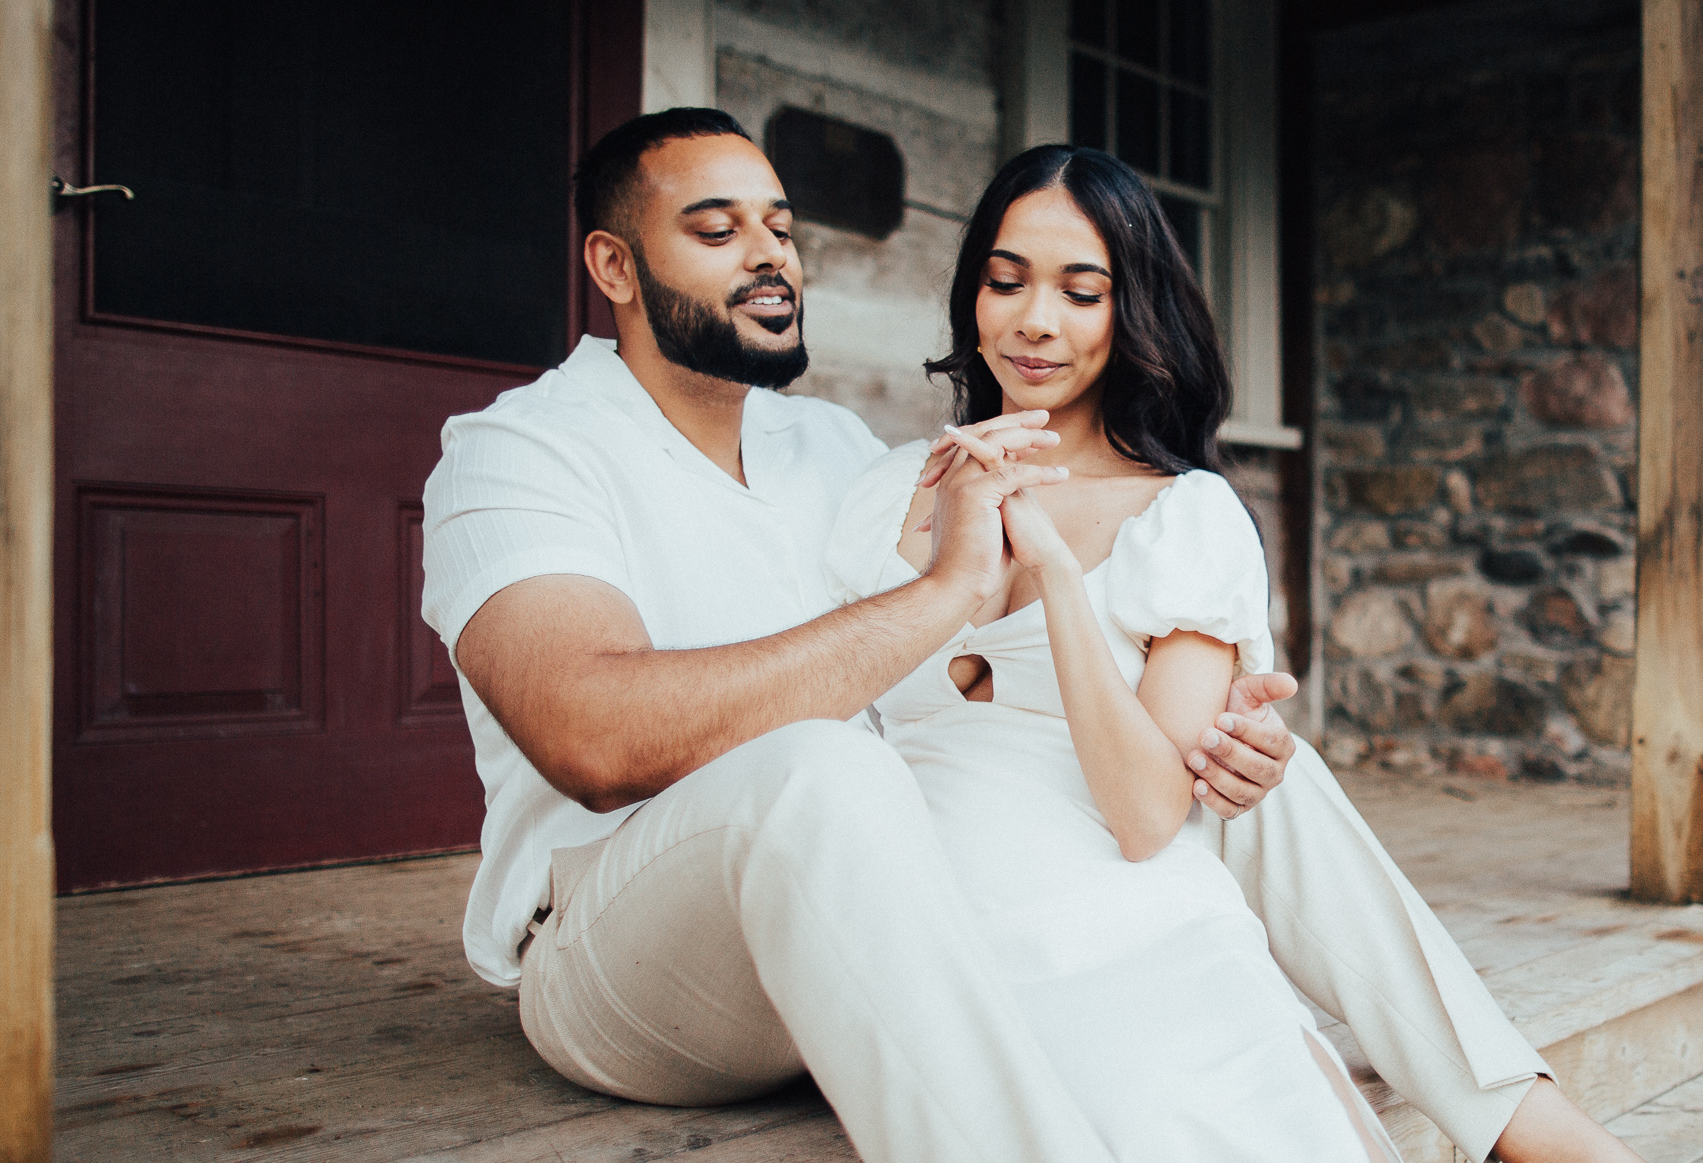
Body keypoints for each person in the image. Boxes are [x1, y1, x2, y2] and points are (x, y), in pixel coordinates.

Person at [422, 108, 1635, 1162]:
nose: (769, 256)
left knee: (1247, 767)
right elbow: (592, 740)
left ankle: (1513, 1108)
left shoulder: (836, 451)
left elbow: (949, 709)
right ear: (614, 265)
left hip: (860, 921)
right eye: (717, 229)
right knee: (823, 767)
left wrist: (1214, 750)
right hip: (626, 950)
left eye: (782, 226)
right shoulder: (521, 452)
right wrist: (956, 584)